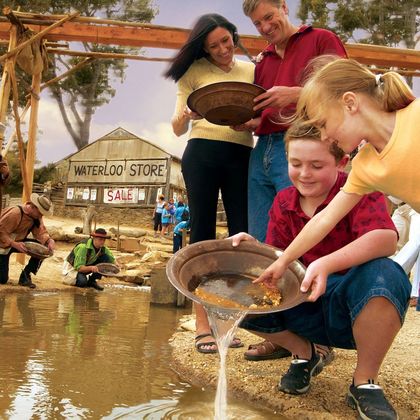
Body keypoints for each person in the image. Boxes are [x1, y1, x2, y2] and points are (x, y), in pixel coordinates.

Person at [232, 121, 411, 419]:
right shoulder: (284, 201)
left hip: (352, 305)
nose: (304, 174)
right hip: (304, 304)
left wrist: (325, 263)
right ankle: (305, 354)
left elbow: (385, 239)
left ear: (342, 162)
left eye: (316, 165)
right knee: (241, 290)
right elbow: (277, 260)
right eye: (295, 163)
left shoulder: (360, 189)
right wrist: (252, 248)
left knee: (387, 274)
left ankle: (364, 381)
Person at [255, 58, 418, 302]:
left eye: (323, 123)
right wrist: (283, 261)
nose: (324, 135)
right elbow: (325, 218)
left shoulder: (415, 116)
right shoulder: (365, 165)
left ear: (350, 103)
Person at [164, 13, 254, 353]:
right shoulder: (193, 73)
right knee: (201, 233)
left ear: (234, 36)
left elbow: (259, 118)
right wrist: (186, 114)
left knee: (241, 235)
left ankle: (230, 322)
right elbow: (175, 128)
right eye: (212, 46)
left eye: (225, 41)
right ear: (203, 47)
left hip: (241, 155)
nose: (221, 50)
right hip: (201, 152)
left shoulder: (251, 70)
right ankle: (202, 324)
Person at [234, 0, 347, 242]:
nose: (265, 26)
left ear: (284, 7)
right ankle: (264, 280)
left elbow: (345, 89)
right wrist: (250, 123)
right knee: (261, 236)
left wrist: (297, 93)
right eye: (257, 23)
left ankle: (304, 280)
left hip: (305, 145)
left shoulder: (321, 39)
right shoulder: (263, 61)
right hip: (262, 149)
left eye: (269, 16)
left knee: (301, 232)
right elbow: (267, 112)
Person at [0, 193, 55, 288]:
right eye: (40, 212)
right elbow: (1, 231)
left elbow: (40, 232)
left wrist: (49, 240)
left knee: (44, 249)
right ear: (33, 207)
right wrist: (13, 244)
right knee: (2, 279)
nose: (41, 215)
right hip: (2, 244)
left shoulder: (36, 217)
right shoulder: (15, 213)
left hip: (19, 241)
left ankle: (26, 275)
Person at [390, 200, 420, 309]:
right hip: (400, 208)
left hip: (416, 207)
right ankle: (394, 282)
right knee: (390, 245)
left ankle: (415, 294)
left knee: (416, 243)